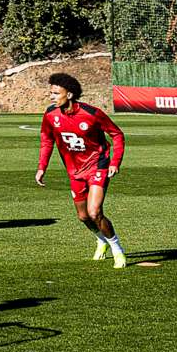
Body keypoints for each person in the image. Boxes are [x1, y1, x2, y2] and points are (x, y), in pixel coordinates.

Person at [37, 72, 128, 267]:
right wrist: (42, 167)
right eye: (51, 93)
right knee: (83, 216)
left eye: (56, 93)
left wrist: (115, 162)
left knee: (94, 212)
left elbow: (117, 135)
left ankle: (117, 249)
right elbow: (46, 140)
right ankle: (101, 240)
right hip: (74, 171)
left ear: (69, 95)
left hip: (98, 165)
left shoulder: (91, 113)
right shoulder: (50, 115)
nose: (51, 97)